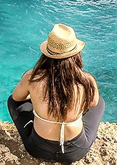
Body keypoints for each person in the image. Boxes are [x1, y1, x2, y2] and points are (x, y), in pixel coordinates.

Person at [7, 24, 105, 164]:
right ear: (76, 54)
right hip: (75, 152)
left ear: (46, 54)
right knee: (99, 102)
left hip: (37, 148)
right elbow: (93, 103)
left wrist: (35, 98)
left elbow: (16, 98)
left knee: (12, 102)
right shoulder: (87, 80)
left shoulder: (32, 77)